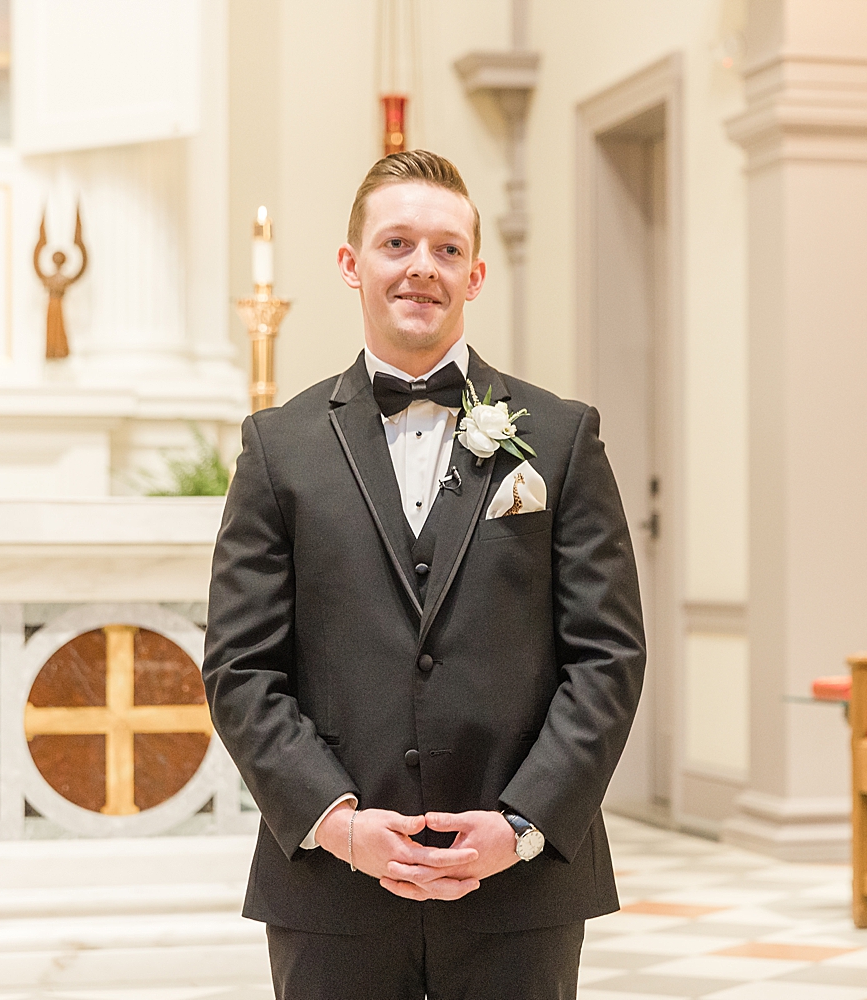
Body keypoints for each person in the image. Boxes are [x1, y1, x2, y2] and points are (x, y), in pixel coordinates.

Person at [202, 149, 646, 1000]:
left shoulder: (559, 437)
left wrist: (518, 827)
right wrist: (339, 825)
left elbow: (608, 658)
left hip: (519, 891)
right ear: (351, 264)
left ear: (476, 275)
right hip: (333, 892)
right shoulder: (278, 448)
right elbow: (240, 667)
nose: (421, 268)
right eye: (396, 243)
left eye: (446, 250)